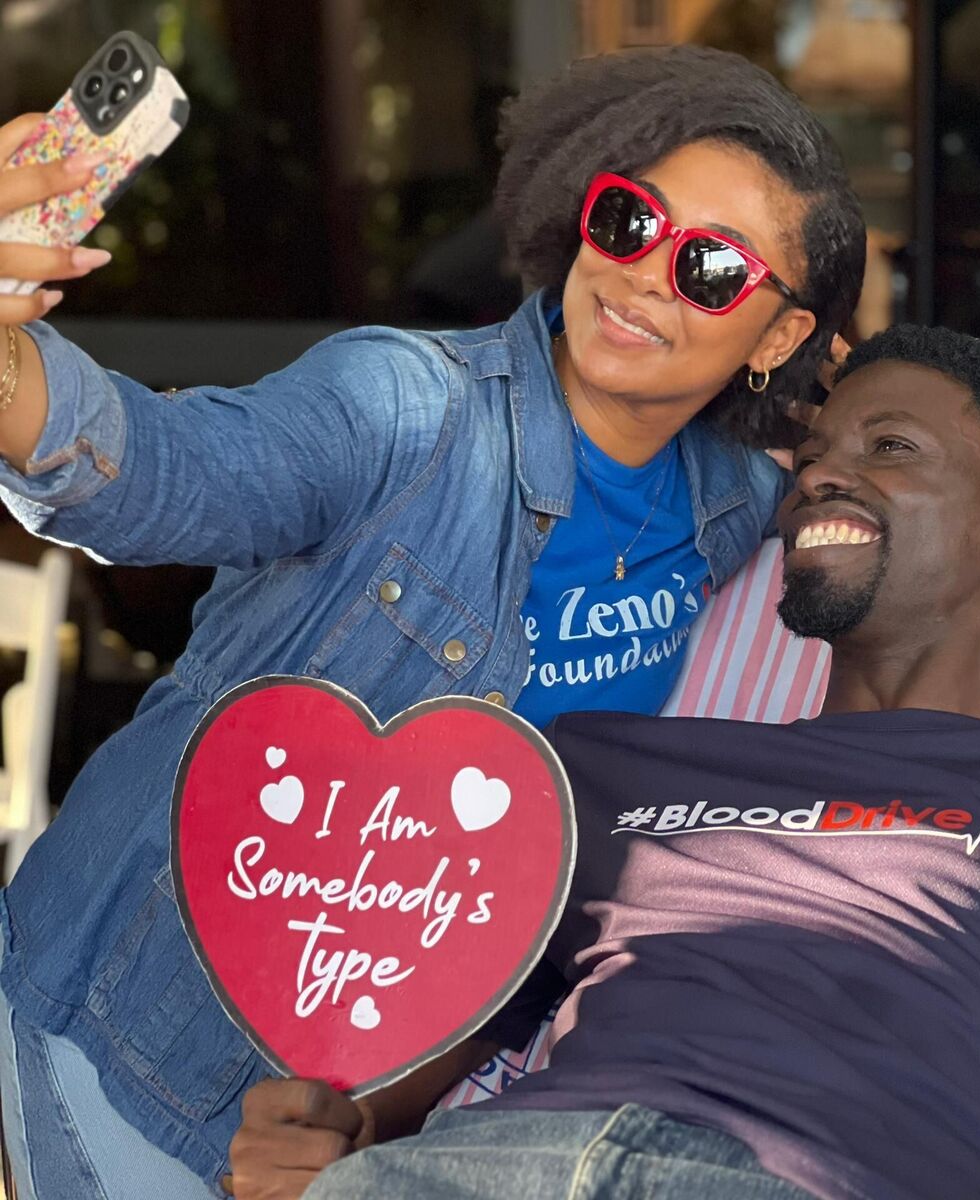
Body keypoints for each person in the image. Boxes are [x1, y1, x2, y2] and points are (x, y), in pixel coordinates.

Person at [0, 45, 867, 1199]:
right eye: (630, 222)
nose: (647, 276)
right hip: (136, 1028)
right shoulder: (404, 407)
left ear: (776, 339)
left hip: (377, 1106)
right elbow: (155, 470)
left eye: (711, 268)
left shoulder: (730, 506)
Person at [230, 325, 980, 1200]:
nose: (819, 476)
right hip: (492, 1165)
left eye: (890, 447)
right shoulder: (600, 764)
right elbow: (443, 1018)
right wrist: (336, 1128)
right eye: (812, 456)